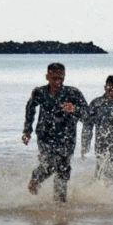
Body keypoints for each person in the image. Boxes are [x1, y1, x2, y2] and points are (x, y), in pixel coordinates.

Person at [22, 62, 89, 202]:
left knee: (63, 169)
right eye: (54, 78)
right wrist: (27, 130)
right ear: (47, 76)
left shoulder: (73, 93)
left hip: (67, 138)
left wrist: (74, 109)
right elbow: (30, 108)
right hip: (45, 136)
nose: (58, 81)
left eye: (61, 78)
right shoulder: (40, 93)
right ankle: (36, 178)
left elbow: (88, 115)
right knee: (50, 164)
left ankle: (59, 204)